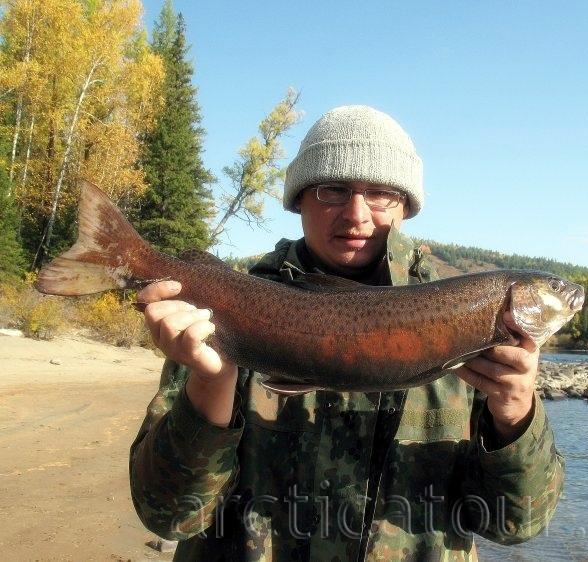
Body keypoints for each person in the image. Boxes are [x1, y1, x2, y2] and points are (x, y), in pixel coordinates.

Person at [129, 105, 565, 561]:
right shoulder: (233, 309)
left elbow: (515, 525)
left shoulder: (465, 327)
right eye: (333, 190)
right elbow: (170, 516)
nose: (356, 214)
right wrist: (211, 381)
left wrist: (515, 415)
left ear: (405, 206)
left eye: (380, 193)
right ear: (299, 198)